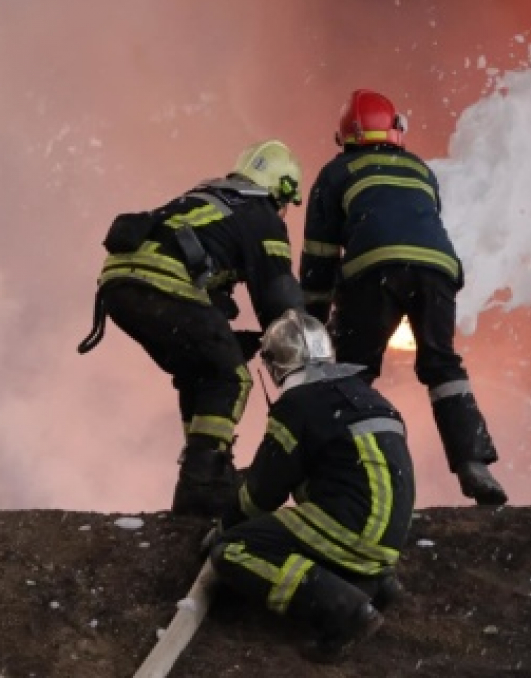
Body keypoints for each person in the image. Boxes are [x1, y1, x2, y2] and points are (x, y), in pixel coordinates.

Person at [299, 88, 507, 505]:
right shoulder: (419, 169)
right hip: (438, 271)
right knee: (441, 363)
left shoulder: (337, 172)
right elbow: (420, 224)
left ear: (346, 137)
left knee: (351, 373)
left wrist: (313, 322)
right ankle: (473, 463)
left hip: (373, 271)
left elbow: (319, 256)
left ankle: (338, 477)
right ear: (396, 128)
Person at [78, 139, 306, 517]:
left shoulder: (210, 197)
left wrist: (238, 341)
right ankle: (203, 482)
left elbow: (202, 296)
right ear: (282, 187)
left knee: (200, 373)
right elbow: (279, 298)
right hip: (161, 282)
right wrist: (302, 353)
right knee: (230, 378)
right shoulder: (260, 215)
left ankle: (202, 476)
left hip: (120, 285)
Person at [209, 308, 414, 664]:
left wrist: (223, 527)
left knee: (233, 550)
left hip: (351, 526)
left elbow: (263, 493)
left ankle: (345, 612)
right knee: (311, 512)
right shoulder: (363, 394)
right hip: (388, 537)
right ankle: (376, 582)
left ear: (275, 365)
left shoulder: (299, 404)